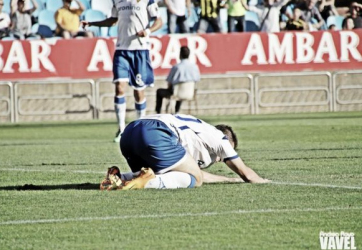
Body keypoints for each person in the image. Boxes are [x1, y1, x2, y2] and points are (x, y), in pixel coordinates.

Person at [100, 113, 270, 190]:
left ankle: (119, 177)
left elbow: (192, 173)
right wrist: (263, 181)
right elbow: (247, 174)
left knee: (154, 173)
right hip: (155, 132)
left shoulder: (199, 131)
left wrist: (230, 180)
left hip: (130, 132)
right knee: (195, 180)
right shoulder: (220, 138)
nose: (220, 160)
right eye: (225, 155)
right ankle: (148, 183)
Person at [81, 0, 162, 142]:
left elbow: (159, 21)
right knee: (119, 88)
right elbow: (112, 20)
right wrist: (92, 24)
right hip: (121, 51)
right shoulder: (117, 1)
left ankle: (140, 127)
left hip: (140, 50)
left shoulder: (147, 1)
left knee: (138, 91)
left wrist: (147, 31)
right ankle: (121, 129)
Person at [155, 46, 200, 114]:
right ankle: (177, 111)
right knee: (180, 90)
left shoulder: (176, 67)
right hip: (190, 93)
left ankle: (158, 112)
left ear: (180, 54)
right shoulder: (194, 66)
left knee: (160, 91)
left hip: (176, 93)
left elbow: (169, 82)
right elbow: (197, 79)